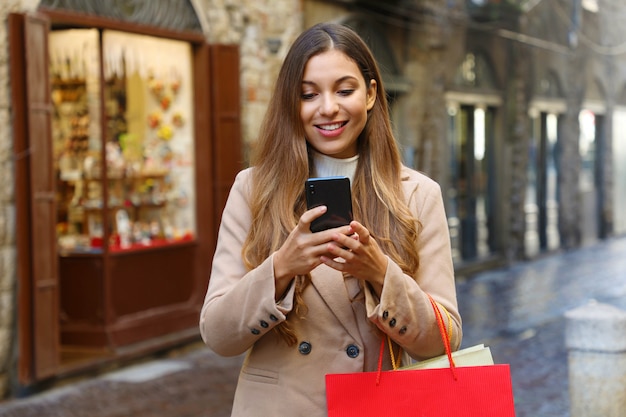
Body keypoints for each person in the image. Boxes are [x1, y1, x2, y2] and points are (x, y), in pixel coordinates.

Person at [199, 22, 462, 416]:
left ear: (371, 94)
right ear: (292, 102)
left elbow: (444, 338)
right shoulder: (253, 189)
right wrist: (281, 268)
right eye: (308, 94)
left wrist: (380, 274)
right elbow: (218, 335)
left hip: (378, 404)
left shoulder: (417, 194)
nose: (328, 108)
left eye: (344, 90)